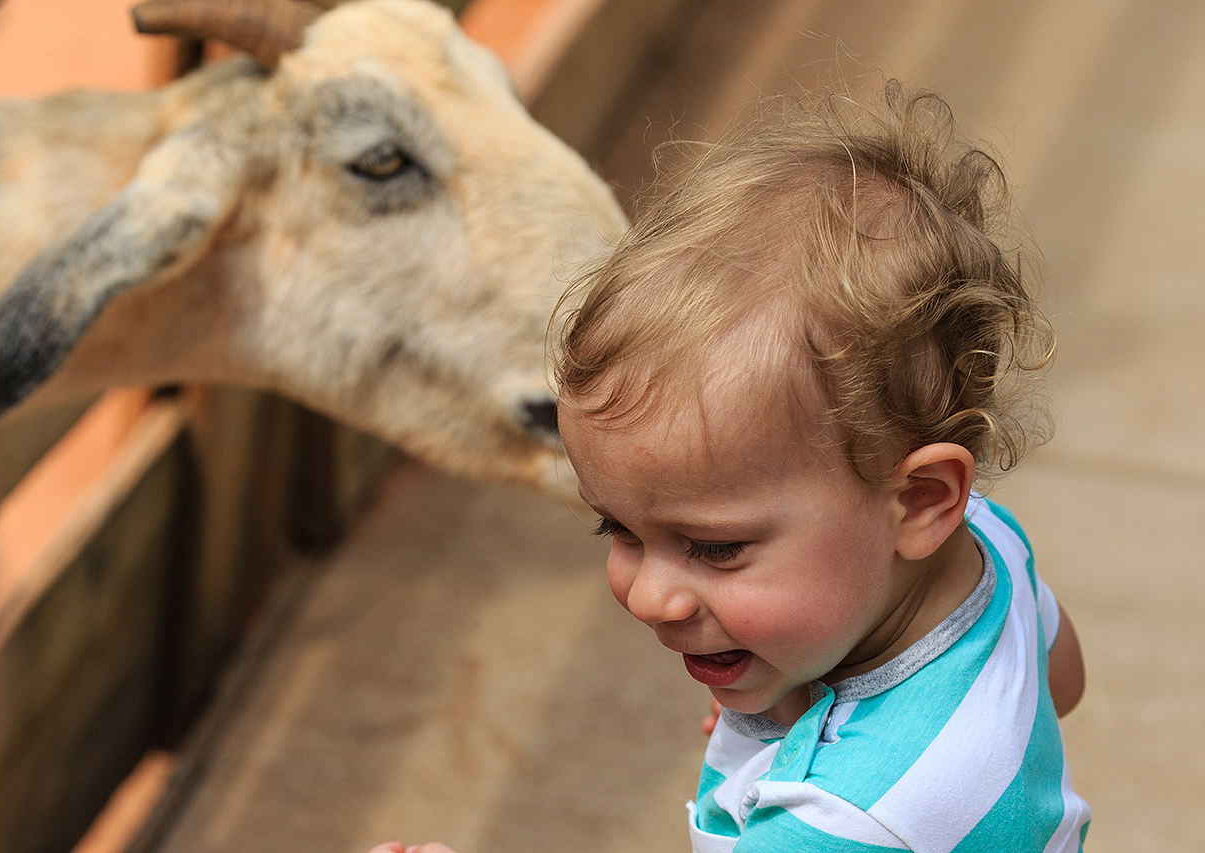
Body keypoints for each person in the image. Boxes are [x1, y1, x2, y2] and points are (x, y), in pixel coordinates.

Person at [369, 79, 1090, 853]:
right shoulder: (987, 544)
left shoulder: (845, 819)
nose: (649, 596)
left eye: (714, 547)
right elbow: (1061, 681)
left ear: (918, 500)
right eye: (619, 527)